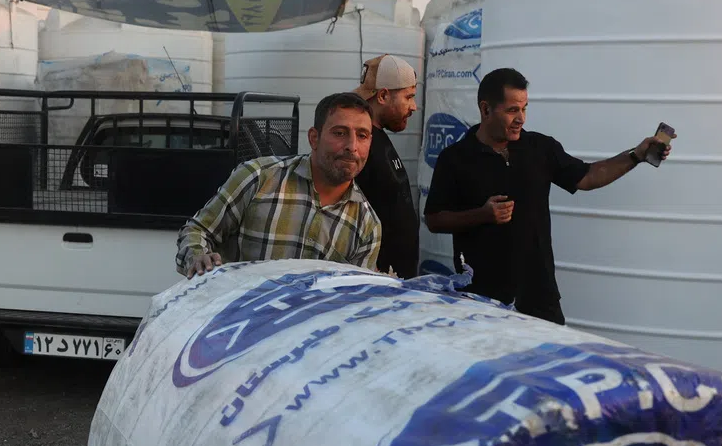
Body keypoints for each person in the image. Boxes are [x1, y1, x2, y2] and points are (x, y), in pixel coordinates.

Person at [424, 66, 670, 324]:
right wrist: (482, 215)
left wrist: (636, 156)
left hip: (539, 296)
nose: (521, 118)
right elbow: (434, 219)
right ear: (486, 110)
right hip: (481, 299)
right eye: (512, 110)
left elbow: (588, 176)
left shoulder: (540, 148)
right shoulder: (455, 158)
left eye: (524, 108)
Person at [175, 92, 382, 277]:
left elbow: (352, 297)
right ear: (314, 138)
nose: (352, 146)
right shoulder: (258, 177)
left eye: (362, 136)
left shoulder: (367, 226)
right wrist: (197, 256)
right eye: (340, 133)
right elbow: (198, 230)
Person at [352, 53, 420, 277]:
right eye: (409, 97)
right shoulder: (360, 147)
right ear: (382, 96)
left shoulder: (378, 137)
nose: (414, 107)